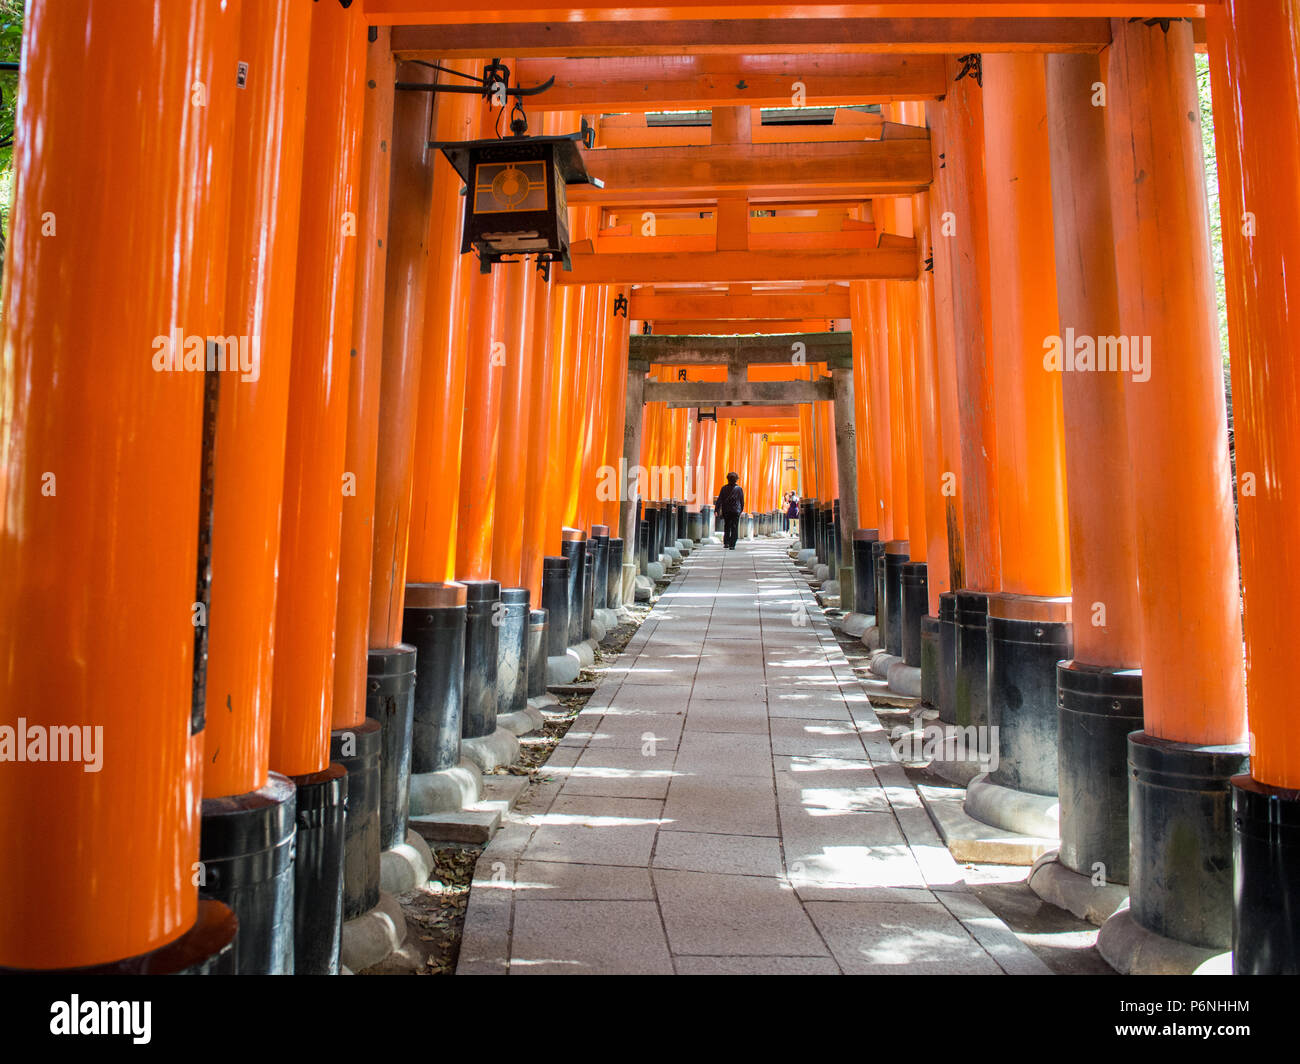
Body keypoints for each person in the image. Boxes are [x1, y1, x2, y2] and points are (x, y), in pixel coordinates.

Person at [715, 472, 744, 550]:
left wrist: (716, 510)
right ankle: (732, 544)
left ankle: (726, 543)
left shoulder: (724, 488)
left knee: (727, 526)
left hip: (726, 510)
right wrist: (741, 510)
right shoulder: (739, 489)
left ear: (727, 479)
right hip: (736, 511)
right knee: (734, 527)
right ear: (736, 480)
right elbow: (742, 501)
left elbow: (719, 499)